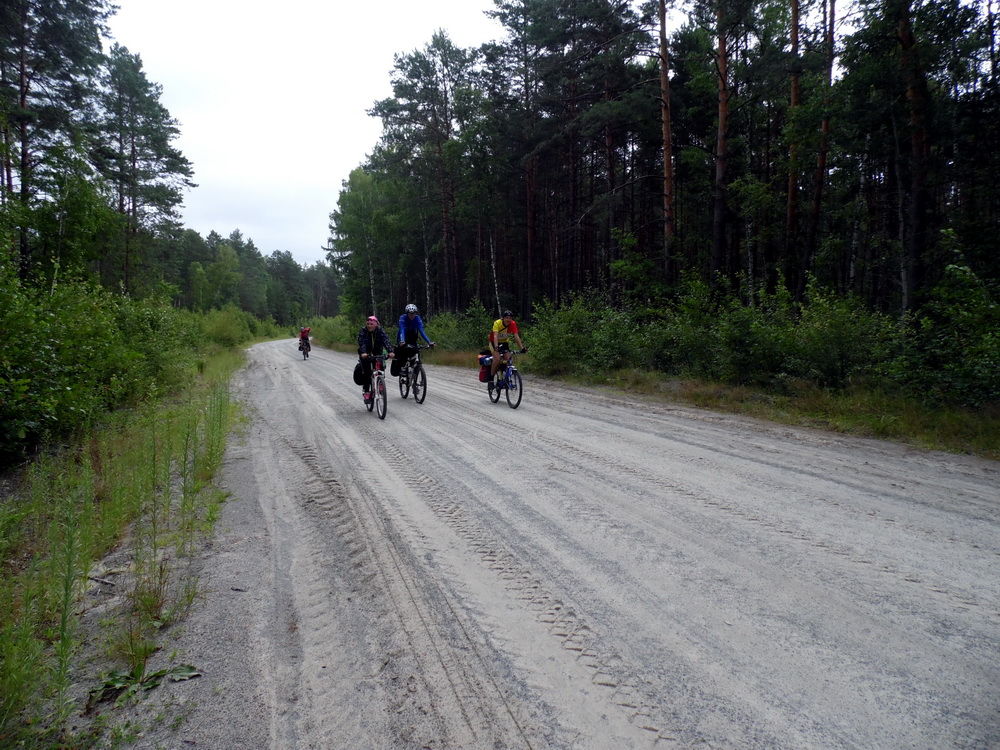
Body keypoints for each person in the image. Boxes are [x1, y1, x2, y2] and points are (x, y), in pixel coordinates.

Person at [356, 315, 394, 403]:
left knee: (381, 368)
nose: (369, 326)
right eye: (368, 324)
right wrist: (363, 352)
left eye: (371, 324)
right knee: (367, 373)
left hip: (378, 352)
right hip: (366, 353)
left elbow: (386, 340)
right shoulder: (363, 331)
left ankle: (380, 382)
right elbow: (362, 342)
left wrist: (390, 351)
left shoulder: (380, 331)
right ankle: (366, 392)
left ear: (376, 324)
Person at [393, 303, 435, 376]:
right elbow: (402, 330)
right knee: (403, 351)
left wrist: (429, 342)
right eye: (410, 314)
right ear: (407, 313)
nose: (412, 315)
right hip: (403, 337)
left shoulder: (417, 319)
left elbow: (422, 332)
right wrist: (402, 340)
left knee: (416, 350)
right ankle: (403, 368)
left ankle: (415, 370)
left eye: (413, 313)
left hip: (412, 338)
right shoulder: (403, 318)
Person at [488, 310, 526, 389]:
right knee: (497, 359)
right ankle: (491, 379)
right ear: (503, 318)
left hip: (504, 343)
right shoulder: (497, 323)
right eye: (506, 318)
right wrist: (496, 346)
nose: (508, 320)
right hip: (494, 342)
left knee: (508, 359)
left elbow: (516, 336)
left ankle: (505, 377)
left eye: (510, 318)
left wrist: (522, 348)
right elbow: (495, 336)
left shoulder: (512, 324)